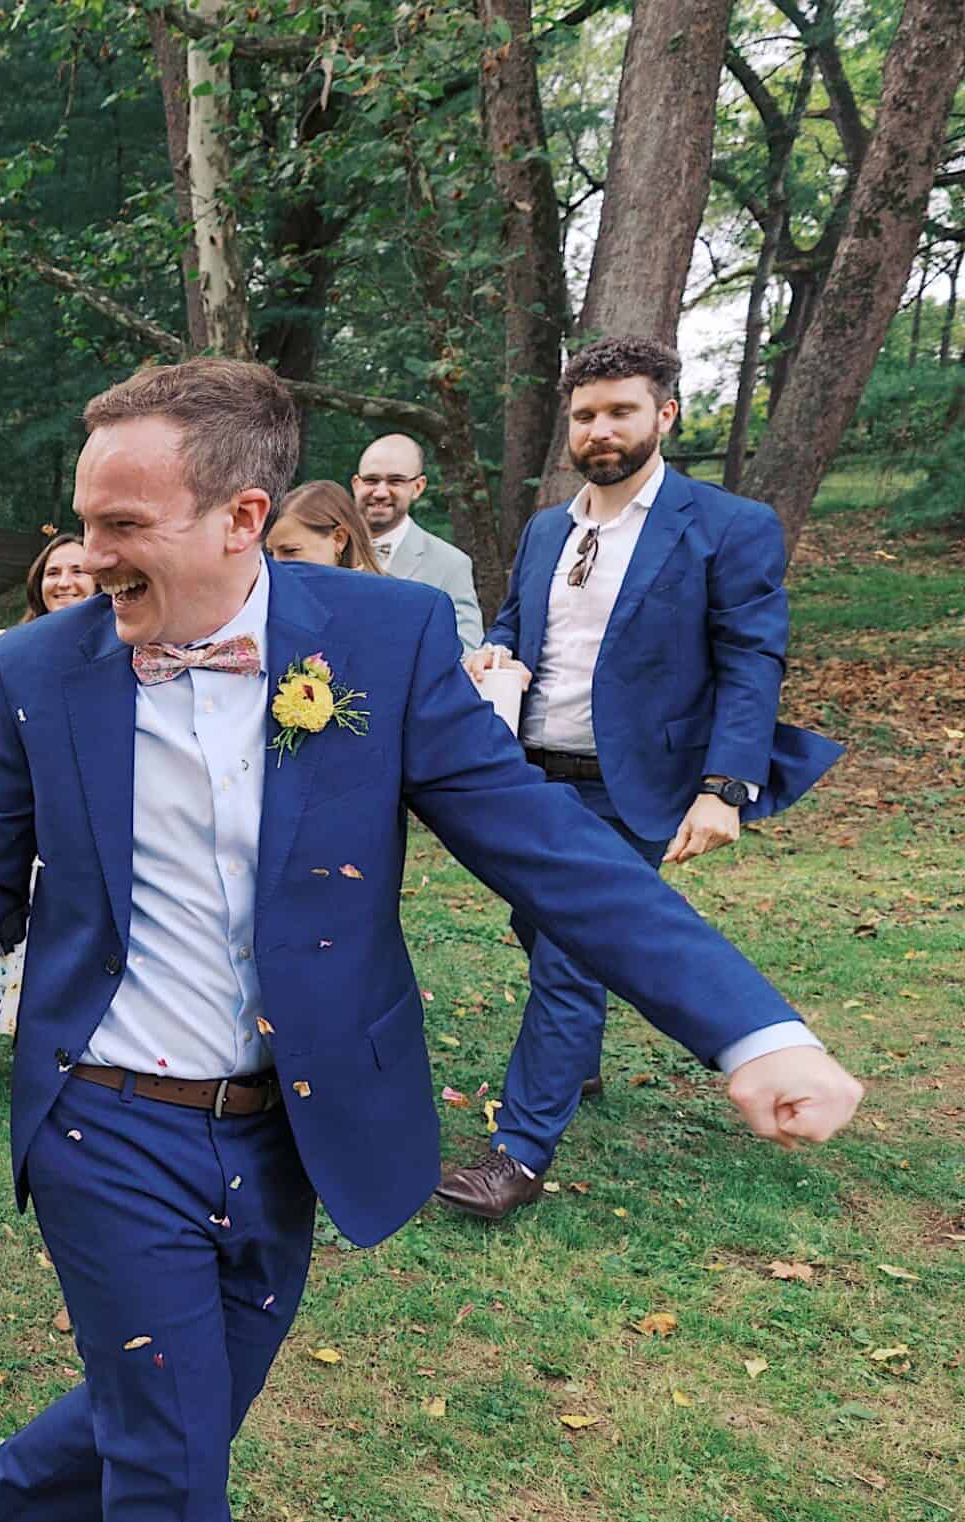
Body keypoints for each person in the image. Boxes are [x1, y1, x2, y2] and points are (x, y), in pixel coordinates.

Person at [0, 357, 863, 1522]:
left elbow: (552, 853)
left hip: (292, 1129)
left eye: (122, 527)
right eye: (83, 521)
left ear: (241, 518)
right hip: (107, 1116)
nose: (85, 557)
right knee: (176, 1472)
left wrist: (753, 1028)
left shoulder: (379, 641)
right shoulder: (40, 668)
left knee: (184, 1412)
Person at [445, 334, 844, 1219]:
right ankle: (576, 1057)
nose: (600, 429)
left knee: (574, 955)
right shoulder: (550, 527)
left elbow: (752, 660)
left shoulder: (728, 526)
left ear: (664, 414)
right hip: (531, 774)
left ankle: (519, 1153)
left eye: (620, 410)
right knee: (537, 921)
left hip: (635, 786)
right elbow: (517, 622)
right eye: (584, 414)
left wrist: (725, 785)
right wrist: (498, 652)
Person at [0, 531, 97, 1118]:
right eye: (55, 571)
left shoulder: (120, 647)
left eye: (79, 571)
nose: (65, 581)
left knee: (66, 936)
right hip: (12, 814)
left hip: (80, 826)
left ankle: (59, 1055)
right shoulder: (6, 644)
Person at [352, 433, 482, 650]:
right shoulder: (327, 548)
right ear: (356, 484)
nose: (381, 492)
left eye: (396, 481)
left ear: (418, 487)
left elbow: (465, 649)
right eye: (371, 480)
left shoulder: (451, 564)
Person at [266, 480, 385, 573]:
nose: (276, 565)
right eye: (271, 554)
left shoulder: (388, 599)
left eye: (290, 551)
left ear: (339, 538)